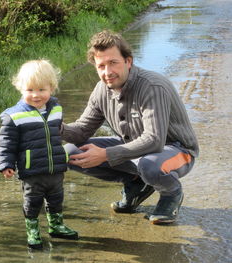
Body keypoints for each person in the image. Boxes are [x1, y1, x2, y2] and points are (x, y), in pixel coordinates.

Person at [61, 30, 199, 225]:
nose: (107, 72)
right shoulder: (102, 90)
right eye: (101, 66)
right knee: (70, 152)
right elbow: (82, 130)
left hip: (177, 150)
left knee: (150, 165)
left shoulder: (152, 86)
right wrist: (56, 126)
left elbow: (154, 140)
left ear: (128, 61)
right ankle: (137, 183)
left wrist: (106, 154)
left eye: (113, 63)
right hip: (134, 147)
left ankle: (171, 194)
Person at [0, 59, 78, 249]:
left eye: (42, 90)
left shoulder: (56, 109)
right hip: (32, 170)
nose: (36, 95)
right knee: (32, 201)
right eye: (30, 90)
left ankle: (56, 225)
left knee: (56, 198)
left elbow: (57, 132)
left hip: (55, 167)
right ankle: (33, 230)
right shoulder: (14, 116)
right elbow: (7, 143)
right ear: (21, 88)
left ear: (52, 87)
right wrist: (6, 164)